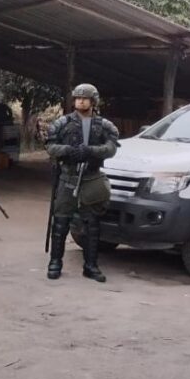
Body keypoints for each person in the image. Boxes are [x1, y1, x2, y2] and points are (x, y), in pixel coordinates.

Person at [45, 83, 119, 282]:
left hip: (91, 178)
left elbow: (112, 147)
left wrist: (92, 151)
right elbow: (50, 147)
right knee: (61, 222)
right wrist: (69, 151)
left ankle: (90, 265)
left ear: (93, 101)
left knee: (92, 224)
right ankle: (55, 263)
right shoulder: (63, 123)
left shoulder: (103, 125)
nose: (81, 101)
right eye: (78, 98)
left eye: (85, 98)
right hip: (67, 177)